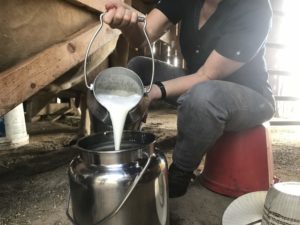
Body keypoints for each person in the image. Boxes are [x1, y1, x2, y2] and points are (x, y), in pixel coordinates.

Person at [95, 0, 275, 198]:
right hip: (200, 82)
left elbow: (207, 75)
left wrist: (155, 90)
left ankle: (181, 172)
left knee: (202, 97)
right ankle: (124, 148)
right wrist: (128, 24)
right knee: (139, 68)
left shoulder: (254, 8)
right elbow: (143, 36)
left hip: (249, 95)